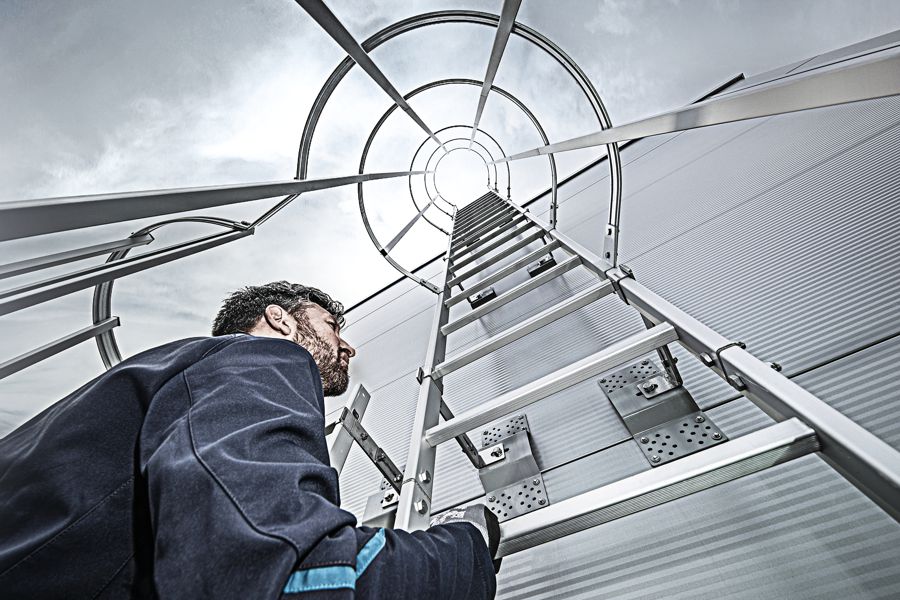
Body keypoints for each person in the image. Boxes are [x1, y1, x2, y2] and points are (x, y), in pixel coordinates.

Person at [0, 281, 500, 599]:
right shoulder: (260, 356)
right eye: (331, 326)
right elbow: (281, 571)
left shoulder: (143, 390)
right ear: (281, 318)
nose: (347, 344)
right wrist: (467, 547)